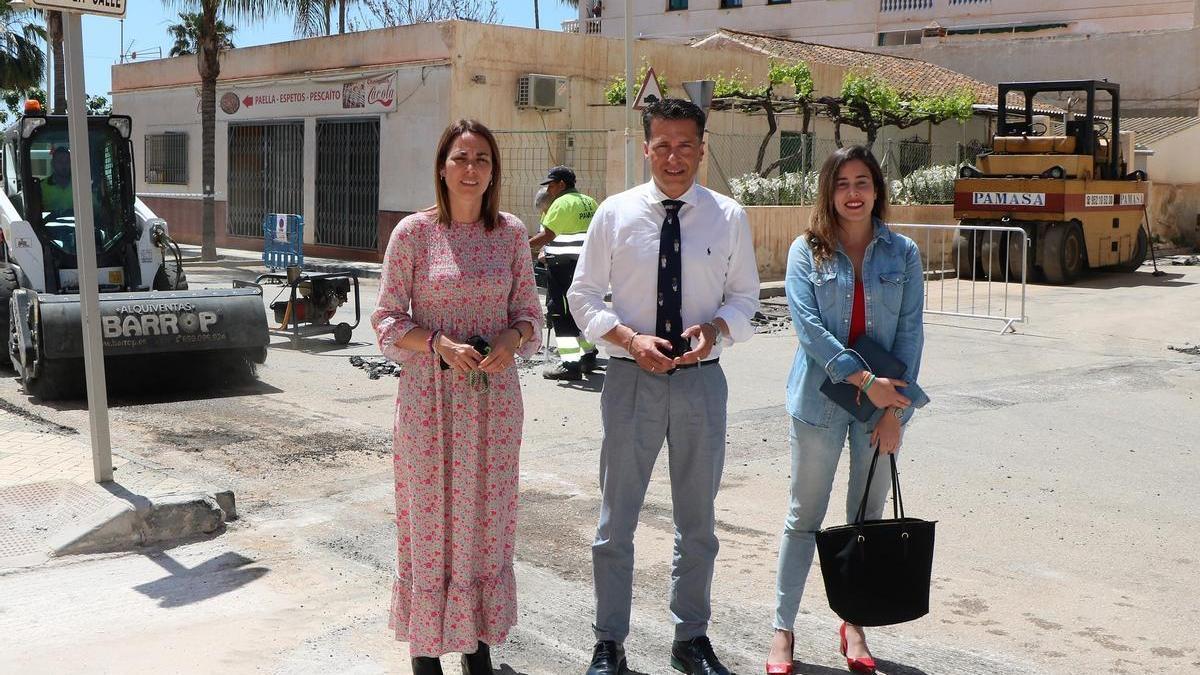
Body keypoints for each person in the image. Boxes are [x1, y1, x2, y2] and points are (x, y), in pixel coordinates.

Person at [568, 98, 760, 675]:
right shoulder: (614, 214)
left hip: (702, 382)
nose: (674, 157)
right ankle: (609, 642)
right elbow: (581, 296)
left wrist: (717, 329)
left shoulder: (728, 217)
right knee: (615, 522)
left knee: (697, 522)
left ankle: (691, 637)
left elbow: (746, 298)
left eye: (686, 145)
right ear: (645, 147)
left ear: (703, 148)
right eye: (662, 145)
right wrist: (628, 339)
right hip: (630, 380)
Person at [372, 119, 543, 675]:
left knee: (486, 524)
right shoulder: (414, 235)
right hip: (429, 404)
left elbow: (529, 315)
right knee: (428, 522)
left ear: (494, 172)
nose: (471, 170)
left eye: (483, 160)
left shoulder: (512, 233)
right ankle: (425, 651)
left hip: (493, 404)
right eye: (461, 158)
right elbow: (387, 318)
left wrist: (509, 340)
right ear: (442, 166)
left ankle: (477, 645)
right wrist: (438, 343)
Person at [765, 145, 929, 675]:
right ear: (828, 192)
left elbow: (909, 334)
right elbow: (809, 331)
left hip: (883, 407)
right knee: (803, 517)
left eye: (862, 181)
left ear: (877, 188)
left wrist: (892, 411)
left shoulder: (902, 252)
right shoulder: (805, 251)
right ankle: (783, 630)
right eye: (842, 183)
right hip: (820, 400)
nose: (853, 193)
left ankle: (853, 623)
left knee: (866, 518)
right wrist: (866, 382)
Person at [529, 165, 599, 381]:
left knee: (560, 313)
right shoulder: (589, 201)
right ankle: (588, 355)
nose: (549, 189)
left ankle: (570, 364)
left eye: (551, 184)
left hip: (562, 267)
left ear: (561, 184)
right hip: (586, 266)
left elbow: (546, 236)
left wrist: (517, 249)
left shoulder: (562, 203)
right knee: (581, 311)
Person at [41, 146, 74, 213]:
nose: (64, 165)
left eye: (67, 161)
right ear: (52, 164)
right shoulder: (41, 187)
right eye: (60, 161)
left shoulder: (81, 186)